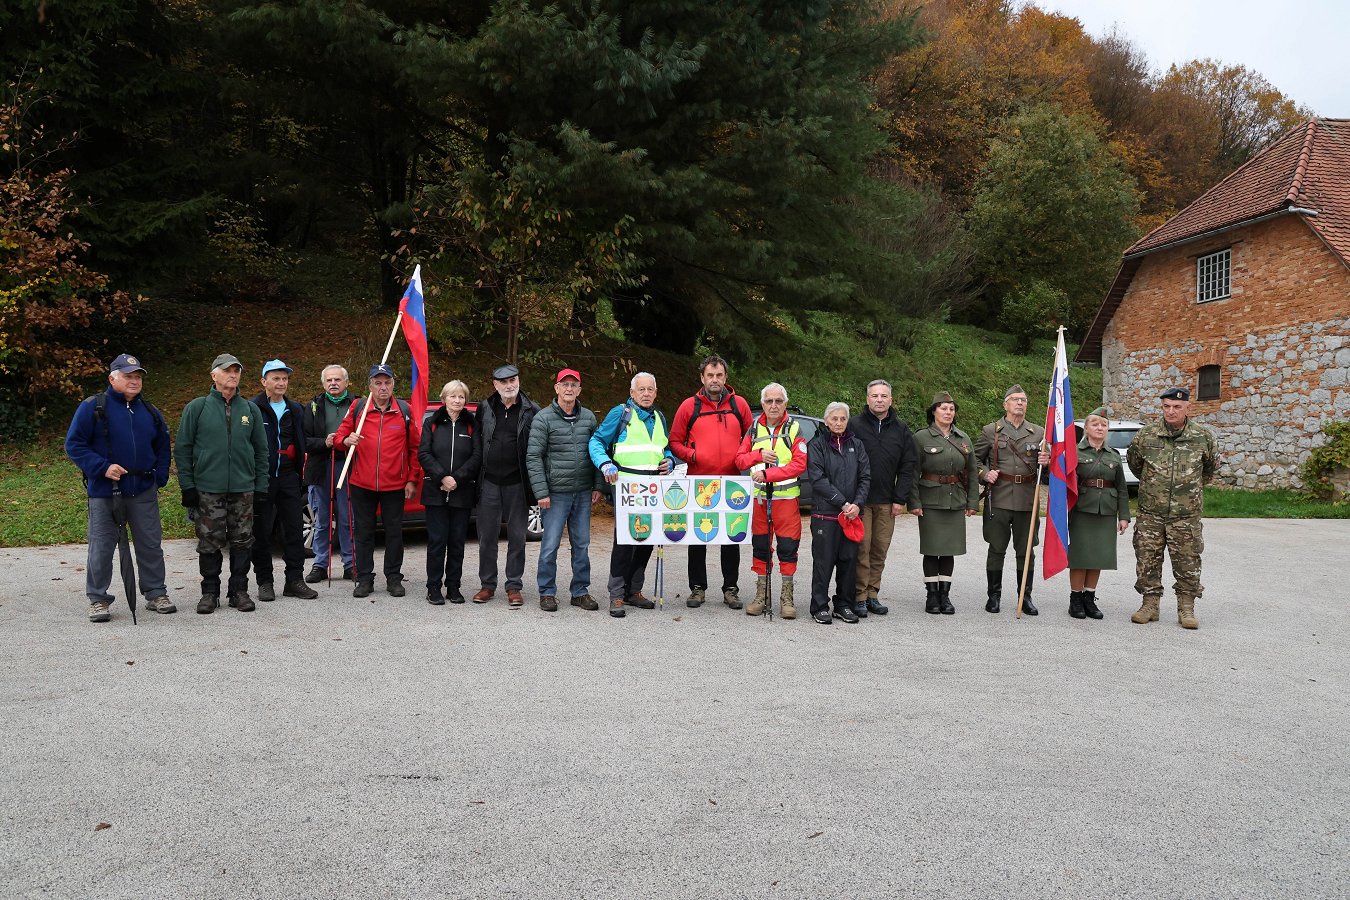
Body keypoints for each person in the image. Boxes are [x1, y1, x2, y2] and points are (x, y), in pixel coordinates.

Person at [64, 354, 174, 622]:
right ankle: (98, 599)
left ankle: (156, 593)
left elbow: (162, 445)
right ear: (112, 378)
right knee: (102, 546)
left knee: (150, 544)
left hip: (143, 490)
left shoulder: (149, 411)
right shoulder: (93, 407)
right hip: (105, 492)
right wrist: (102, 467)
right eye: (128, 376)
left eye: (137, 376)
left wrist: (159, 476)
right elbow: (74, 444)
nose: (134, 381)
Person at [176, 353, 269, 614]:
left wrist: (261, 486)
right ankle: (209, 593)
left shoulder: (250, 409)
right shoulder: (197, 408)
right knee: (209, 542)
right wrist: (188, 486)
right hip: (208, 489)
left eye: (236, 370)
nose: (233, 375)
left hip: (243, 489)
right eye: (227, 370)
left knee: (242, 541)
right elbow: (183, 449)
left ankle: (238, 591)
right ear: (214, 375)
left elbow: (262, 451)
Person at [1127, 387, 1217, 629]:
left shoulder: (1203, 437)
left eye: (1177, 407)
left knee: (1188, 562)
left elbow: (1208, 470)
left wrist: (1187, 492)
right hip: (1150, 514)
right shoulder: (1146, 436)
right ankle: (1150, 605)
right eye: (1166, 406)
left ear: (1188, 408)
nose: (1171, 411)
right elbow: (1135, 465)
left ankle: (1186, 608)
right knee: (1147, 560)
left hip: (1185, 516)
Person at [668, 354, 753, 609]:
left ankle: (730, 589)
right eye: (710, 375)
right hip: (699, 482)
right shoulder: (688, 407)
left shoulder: (740, 405)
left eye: (719, 375)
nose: (715, 380)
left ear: (726, 377)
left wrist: (743, 459)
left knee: (731, 537)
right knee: (698, 537)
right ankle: (697, 588)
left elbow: (752, 439)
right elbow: (674, 443)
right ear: (702, 378)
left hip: (731, 482)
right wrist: (692, 455)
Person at [589, 372, 676, 618]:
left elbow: (664, 446)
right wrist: (605, 464)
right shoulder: (621, 414)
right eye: (642, 390)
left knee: (647, 539)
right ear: (632, 393)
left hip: (654, 487)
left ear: (655, 393)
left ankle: (633, 591)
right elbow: (596, 442)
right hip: (626, 486)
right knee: (625, 540)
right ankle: (616, 594)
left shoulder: (659, 417)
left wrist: (669, 459)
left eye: (650, 389)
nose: (646, 394)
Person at [334, 364, 419, 599]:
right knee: (363, 532)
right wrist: (347, 439)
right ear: (370, 385)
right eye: (378, 383)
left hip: (394, 484)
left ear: (393, 384)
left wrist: (412, 479)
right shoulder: (358, 407)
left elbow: (414, 448)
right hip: (362, 482)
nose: (383, 387)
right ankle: (364, 578)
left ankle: (393, 578)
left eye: (387, 382)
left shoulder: (404, 410)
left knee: (394, 533)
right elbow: (340, 437)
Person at [526, 368, 605, 613]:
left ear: (579, 390)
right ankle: (547, 592)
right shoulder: (543, 418)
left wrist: (598, 485)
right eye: (565, 384)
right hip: (555, 494)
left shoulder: (589, 418)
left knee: (581, 544)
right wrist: (541, 492)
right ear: (556, 388)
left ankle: (580, 591)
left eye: (574, 385)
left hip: (582, 492)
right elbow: (533, 457)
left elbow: (597, 452)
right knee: (550, 545)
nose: (569, 389)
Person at [733, 382, 807, 619]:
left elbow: (799, 464)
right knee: (761, 547)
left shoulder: (795, 428)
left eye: (778, 401)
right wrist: (758, 456)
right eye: (769, 401)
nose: (773, 405)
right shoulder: (754, 428)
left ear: (785, 403)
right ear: (763, 403)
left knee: (788, 548)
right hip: (760, 501)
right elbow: (740, 460)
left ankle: (787, 598)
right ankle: (761, 595)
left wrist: (768, 473)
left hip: (786, 500)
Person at [975, 384, 1050, 616]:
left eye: (1024, 400)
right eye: (1015, 399)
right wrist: (984, 474)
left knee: (1026, 550)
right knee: (996, 548)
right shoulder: (991, 430)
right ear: (1005, 404)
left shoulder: (1039, 433)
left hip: (1028, 500)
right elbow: (974, 461)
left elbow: (1046, 473)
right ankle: (994, 596)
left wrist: (1047, 462)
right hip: (998, 497)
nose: (1020, 403)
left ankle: (1024, 597)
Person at [248, 360, 318, 603]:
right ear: (263, 381)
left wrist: (301, 472)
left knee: (294, 531)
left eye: (285, 379)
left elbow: (302, 440)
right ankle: (265, 582)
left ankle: (294, 580)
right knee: (262, 532)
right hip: (262, 478)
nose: (281, 383)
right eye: (276, 378)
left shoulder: (296, 409)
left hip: (289, 477)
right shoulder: (252, 408)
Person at [473, 363, 540, 608]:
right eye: (504, 382)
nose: (509, 385)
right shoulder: (485, 408)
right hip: (489, 482)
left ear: (519, 381)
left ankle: (513, 586)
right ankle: (487, 585)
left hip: (517, 484)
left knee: (517, 538)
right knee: (487, 538)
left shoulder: (532, 410)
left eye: (513, 380)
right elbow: (477, 444)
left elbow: (538, 450)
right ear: (495, 385)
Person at [848, 379, 917, 618]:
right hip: (860, 501)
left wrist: (900, 499)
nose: (879, 400)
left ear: (891, 399)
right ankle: (858, 596)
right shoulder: (854, 425)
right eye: (874, 396)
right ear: (867, 399)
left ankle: (872, 594)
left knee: (879, 550)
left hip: (888, 501)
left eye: (883, 396)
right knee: (862, 548)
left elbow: (908, 467)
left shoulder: (901, 429)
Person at [908, 392, 979, 615]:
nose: (948, 412)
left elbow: (972, 472)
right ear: (933, 412)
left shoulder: (963, 438)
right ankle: (931, 596)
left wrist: (972, 502)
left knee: (949, 550)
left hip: (955, 500)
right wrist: (914, 501)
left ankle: (945, 596)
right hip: (929, 501)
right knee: (931, 549)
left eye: (951, 409)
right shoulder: (921, 438)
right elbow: (912, 472)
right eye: (943, 408)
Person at [805, 402, 870, 625]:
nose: (839, 423)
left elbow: (865, 477)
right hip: (826, 514)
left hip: (852, 516)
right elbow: (817, 478)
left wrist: (857, 504)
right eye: (834, 419)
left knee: (849, 561)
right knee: (823, 562)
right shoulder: (816, 445)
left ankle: (843, 604)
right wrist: (842, 503)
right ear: (826, 421)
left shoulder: (857, 445)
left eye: (843, 419)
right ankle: (819, 606)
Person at [418, 380, 482, 605]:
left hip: (462, 492)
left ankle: (453, 586)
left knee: (457, 542)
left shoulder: (472, 424)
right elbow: (424, 453)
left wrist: (457, 479)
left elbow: (477, 456)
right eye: (453, 396)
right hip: (436, 491)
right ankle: (433, 587)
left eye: (461, 397)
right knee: (437, 542)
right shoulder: (431, 423)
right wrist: (442, 477)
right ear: (443, 398)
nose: (457, 400)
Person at [1068, 407, 1130, 620]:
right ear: (1086, 428)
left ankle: (1089, 598)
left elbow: (1122, 487)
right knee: (1080, 556)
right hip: (1082, 509)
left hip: (1106, 511)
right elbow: (1064, 482)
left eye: (1104, 425)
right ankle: (1075, 599)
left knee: (1098, 556)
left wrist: (1123, 516)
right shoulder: (1074, 452)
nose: (1100, 428)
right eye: (1095, 424)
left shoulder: (1113, 455)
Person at [304, 365, 359, 583]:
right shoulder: (313, 406)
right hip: (322, 466)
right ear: (323, 384)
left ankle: (350, 564)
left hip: (348, 465)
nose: (333, 383)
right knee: (322, 519)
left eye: (337, 379)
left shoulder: (358, 405)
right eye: (329, 380)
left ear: (346, 382)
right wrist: (324, 442)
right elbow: (305, 441)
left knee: (348, 518)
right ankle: (319, 564)